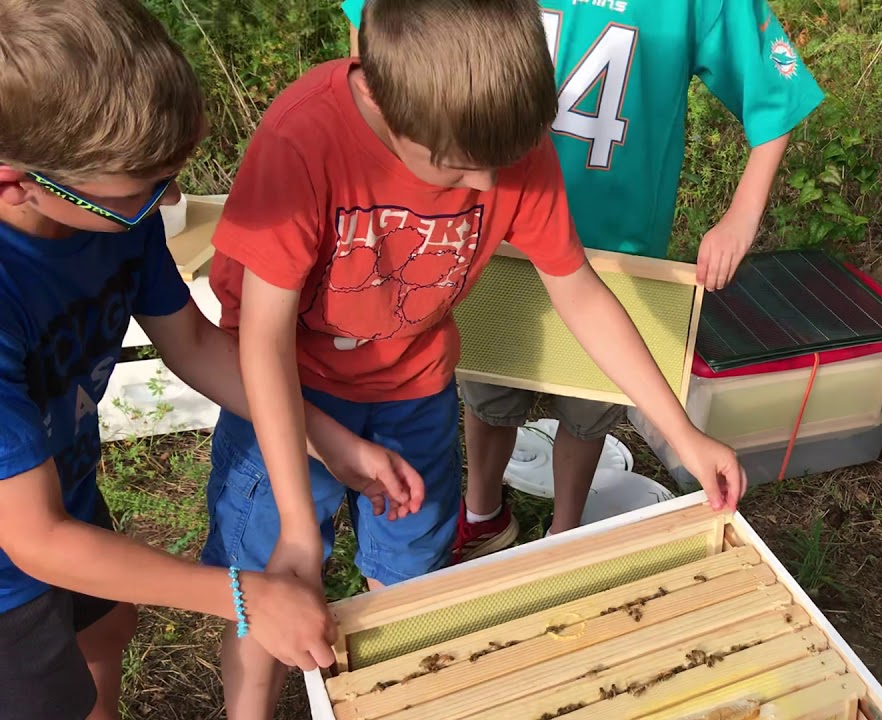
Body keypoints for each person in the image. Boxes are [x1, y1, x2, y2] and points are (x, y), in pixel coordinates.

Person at [200, 1, 747, 716]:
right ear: (377, 96)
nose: (489, 188)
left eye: (502, 165)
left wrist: (684, 434)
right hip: (283, 395)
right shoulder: (301, 137)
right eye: (460, 167)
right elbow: (262, 343)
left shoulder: (506, 142)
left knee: (413, 584)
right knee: (264, 583)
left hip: (414, 393)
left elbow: (578, 292)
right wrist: (302, 528)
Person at [0, 1, 428, 718]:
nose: (168, 200)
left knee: (109, 625)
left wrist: (325, 437)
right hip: (14, 566)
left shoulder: (111, 212)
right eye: (143, 191)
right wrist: (247, 596)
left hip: (58, 488)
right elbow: (36, 540)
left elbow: (194, 344)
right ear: (15, 181)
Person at [344, 0, 823, 552]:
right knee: (488, 383)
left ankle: (564, 532)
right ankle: (482, 511)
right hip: (489, 220)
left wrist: (743, 213)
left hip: (613, 243)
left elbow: (775, 84)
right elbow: (376, 27)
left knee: (590, 401)